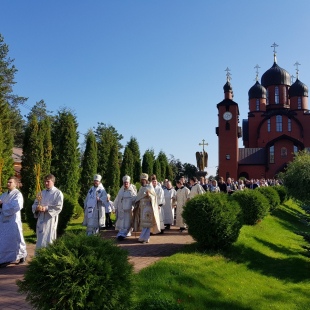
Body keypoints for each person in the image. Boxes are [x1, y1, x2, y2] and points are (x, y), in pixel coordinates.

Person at [0, 176, 27, 267]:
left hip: (13, 221)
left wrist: (3, 205)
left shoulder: (17, 194)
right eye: (7, 182)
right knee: (4, 241)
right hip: (3, 221)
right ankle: (5, 258)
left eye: (10, 182)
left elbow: (17, 206)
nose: (8, 183)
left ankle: (22, 254)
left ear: (15, 184)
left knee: (16, 239)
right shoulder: (4, 195)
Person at [32, 174, 64, 249]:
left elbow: (59, 207)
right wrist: (37, 208)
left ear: (53, 182)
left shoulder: (57, 193)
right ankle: (39, 257)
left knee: (49, 238)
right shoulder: (41, 193)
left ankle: (47, 257)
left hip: (50, 219)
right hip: (41, 219)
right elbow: (35, 204)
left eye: (48, 181)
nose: (46, 183)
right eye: (45, 181)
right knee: (40, 239)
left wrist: (45, 208)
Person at [132, 173, 161, 243]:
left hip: (148, 208)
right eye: (141, 180)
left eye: (143, 180)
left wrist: (149, 195)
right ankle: (145, 238)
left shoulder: (150, 187)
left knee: (147, 224)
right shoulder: (141, 188)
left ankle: (143, 238)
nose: (141, 181)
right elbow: (138, 197)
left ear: (146, 180)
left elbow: (154, 197)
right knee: (144, 224)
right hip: (142, 208)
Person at [114, 175, 137, 240]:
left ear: (129, 183)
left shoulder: (132, 191)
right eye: (124, 183)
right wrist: (115, 207)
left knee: (127, 222)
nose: (125, 184)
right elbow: (117, 199)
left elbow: (135, 199)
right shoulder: (121, 190)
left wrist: (134, 207)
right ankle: (121, 233)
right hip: (121, 210)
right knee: (121, 223)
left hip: (128, 210)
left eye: (127, 183)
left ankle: (125, 233)